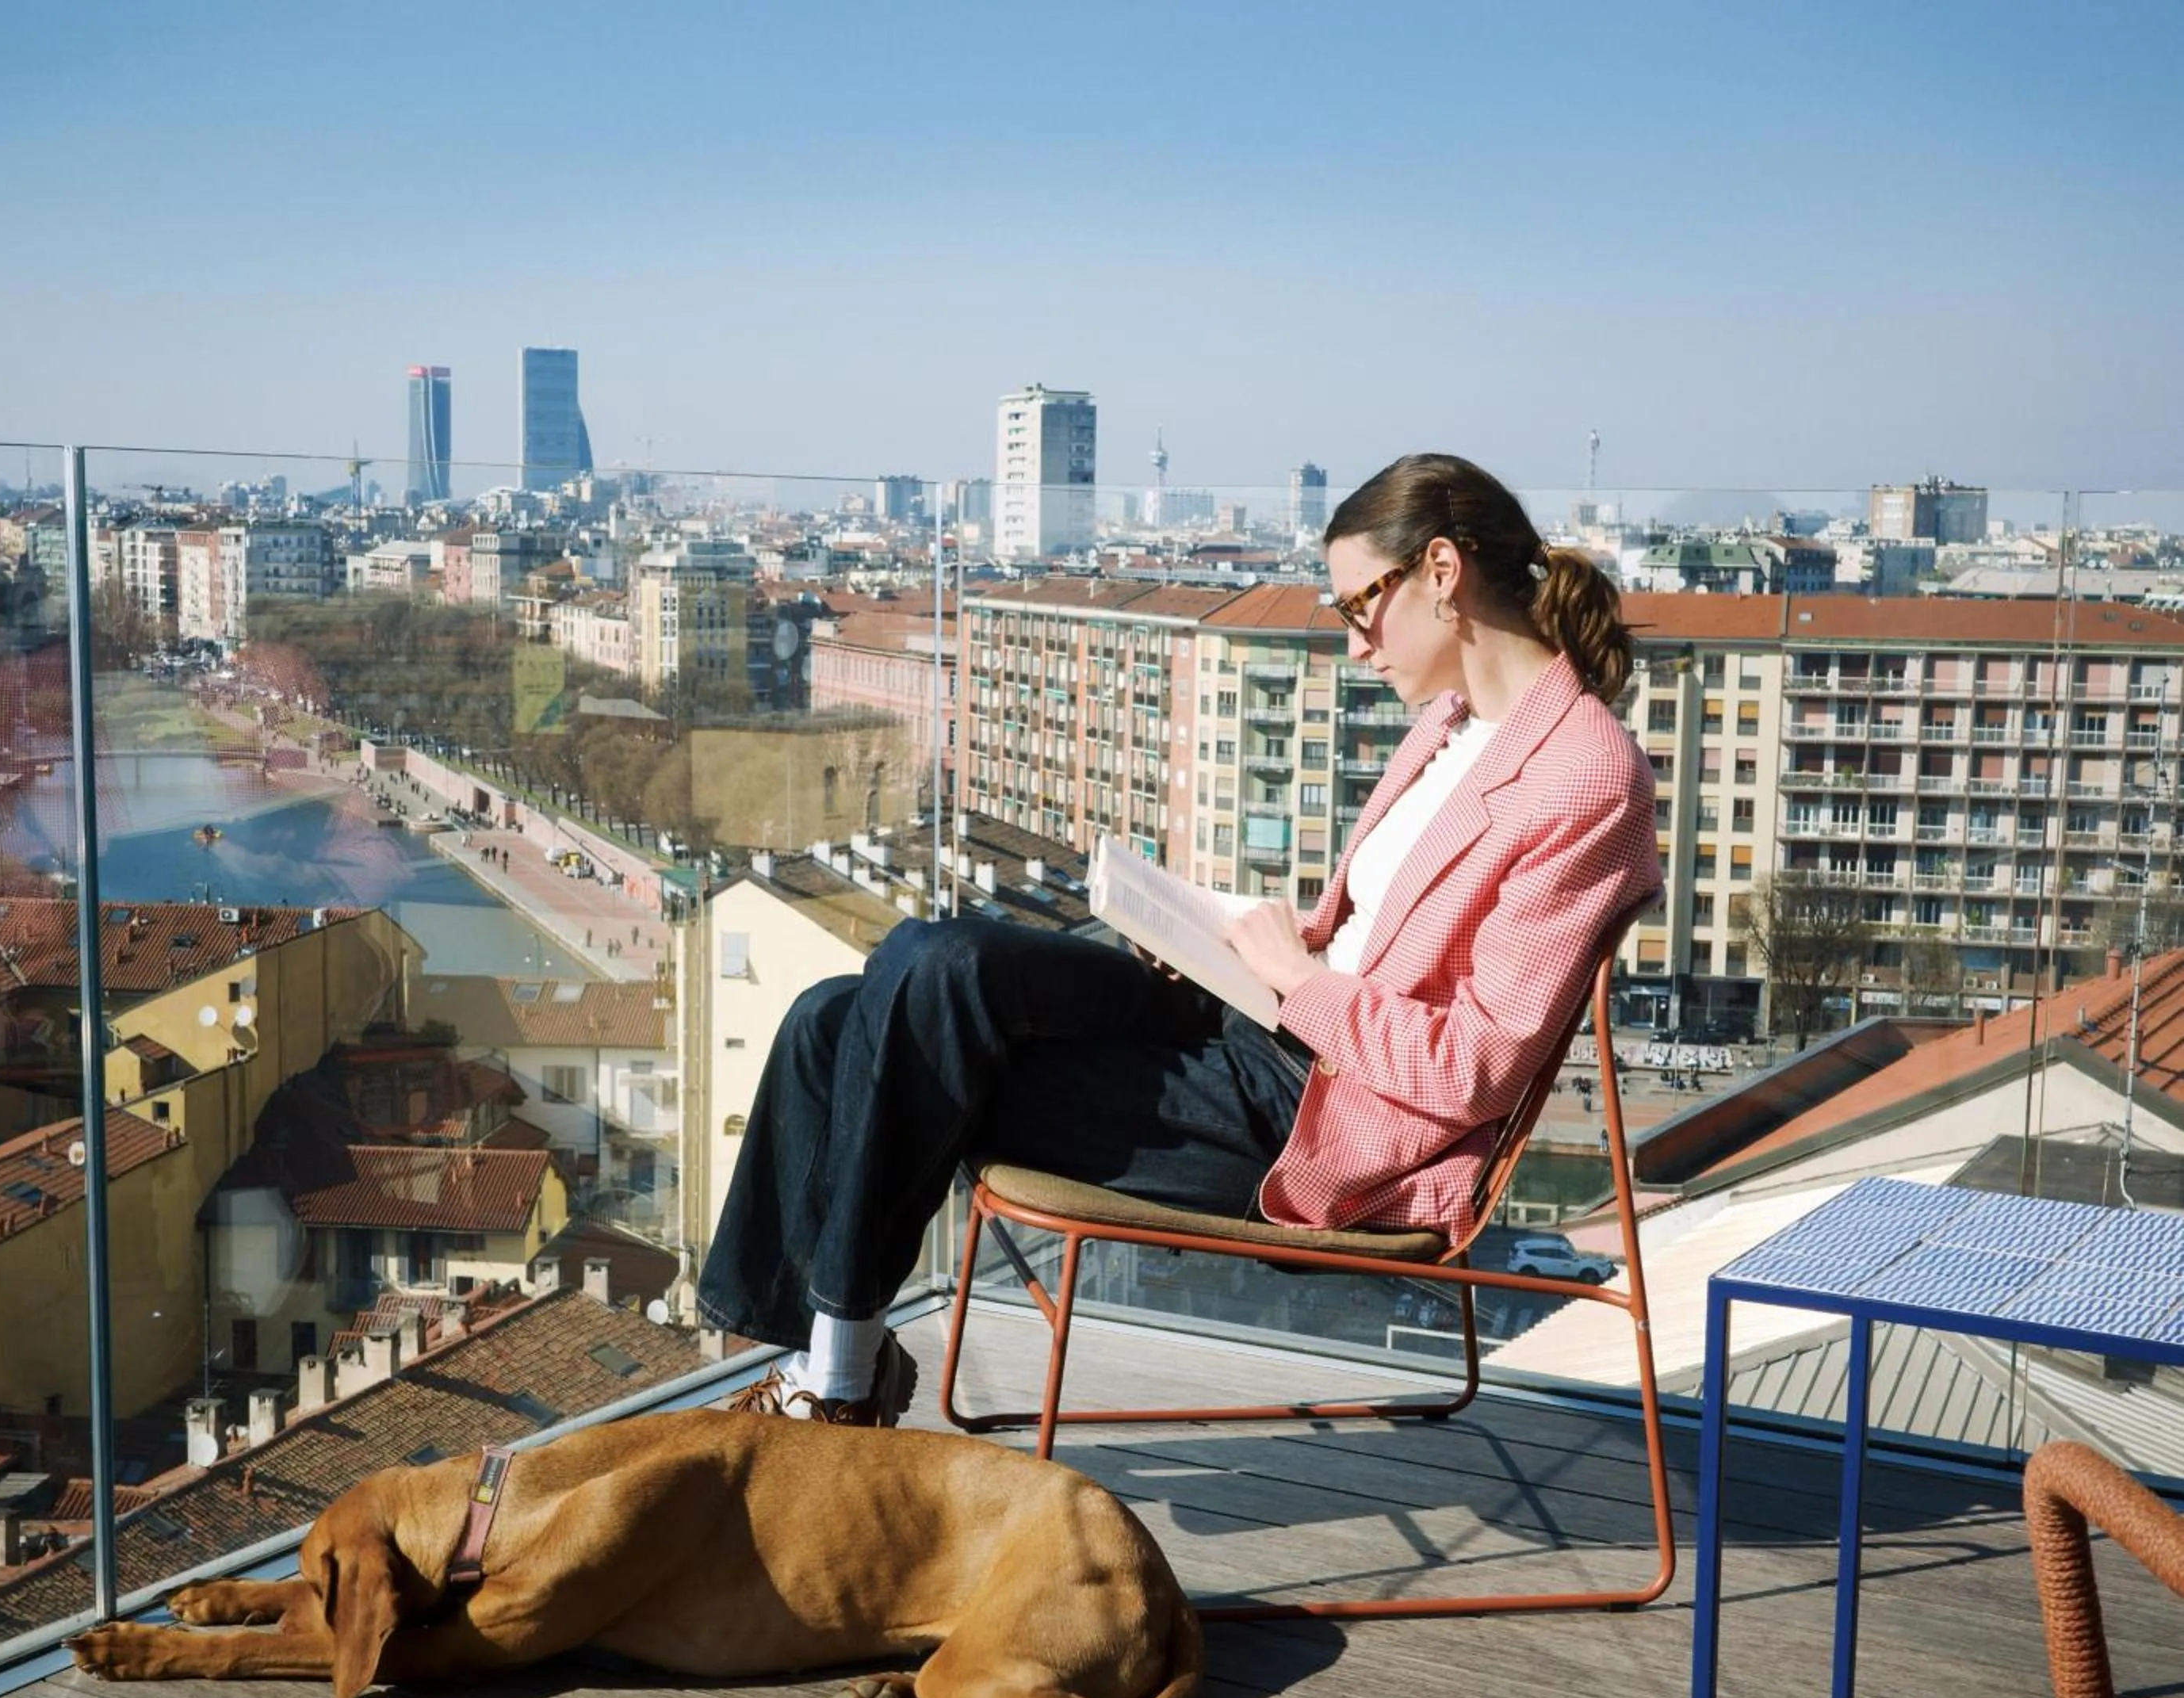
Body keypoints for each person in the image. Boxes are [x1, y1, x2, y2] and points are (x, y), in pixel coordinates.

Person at [699, 453, 1660, 1425]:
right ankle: (827, 1366)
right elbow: (1376, 932)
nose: (1357, 647)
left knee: (858, 1024)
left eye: (1357, 607)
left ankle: (833, 1381)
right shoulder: (1449, 724)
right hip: (1248, 1015)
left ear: (1442, 573)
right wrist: (1230, 937)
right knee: (909, 972)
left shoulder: (1584, 776)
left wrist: (1296, 980)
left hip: (1313, 1112)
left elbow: (1477, 1069)